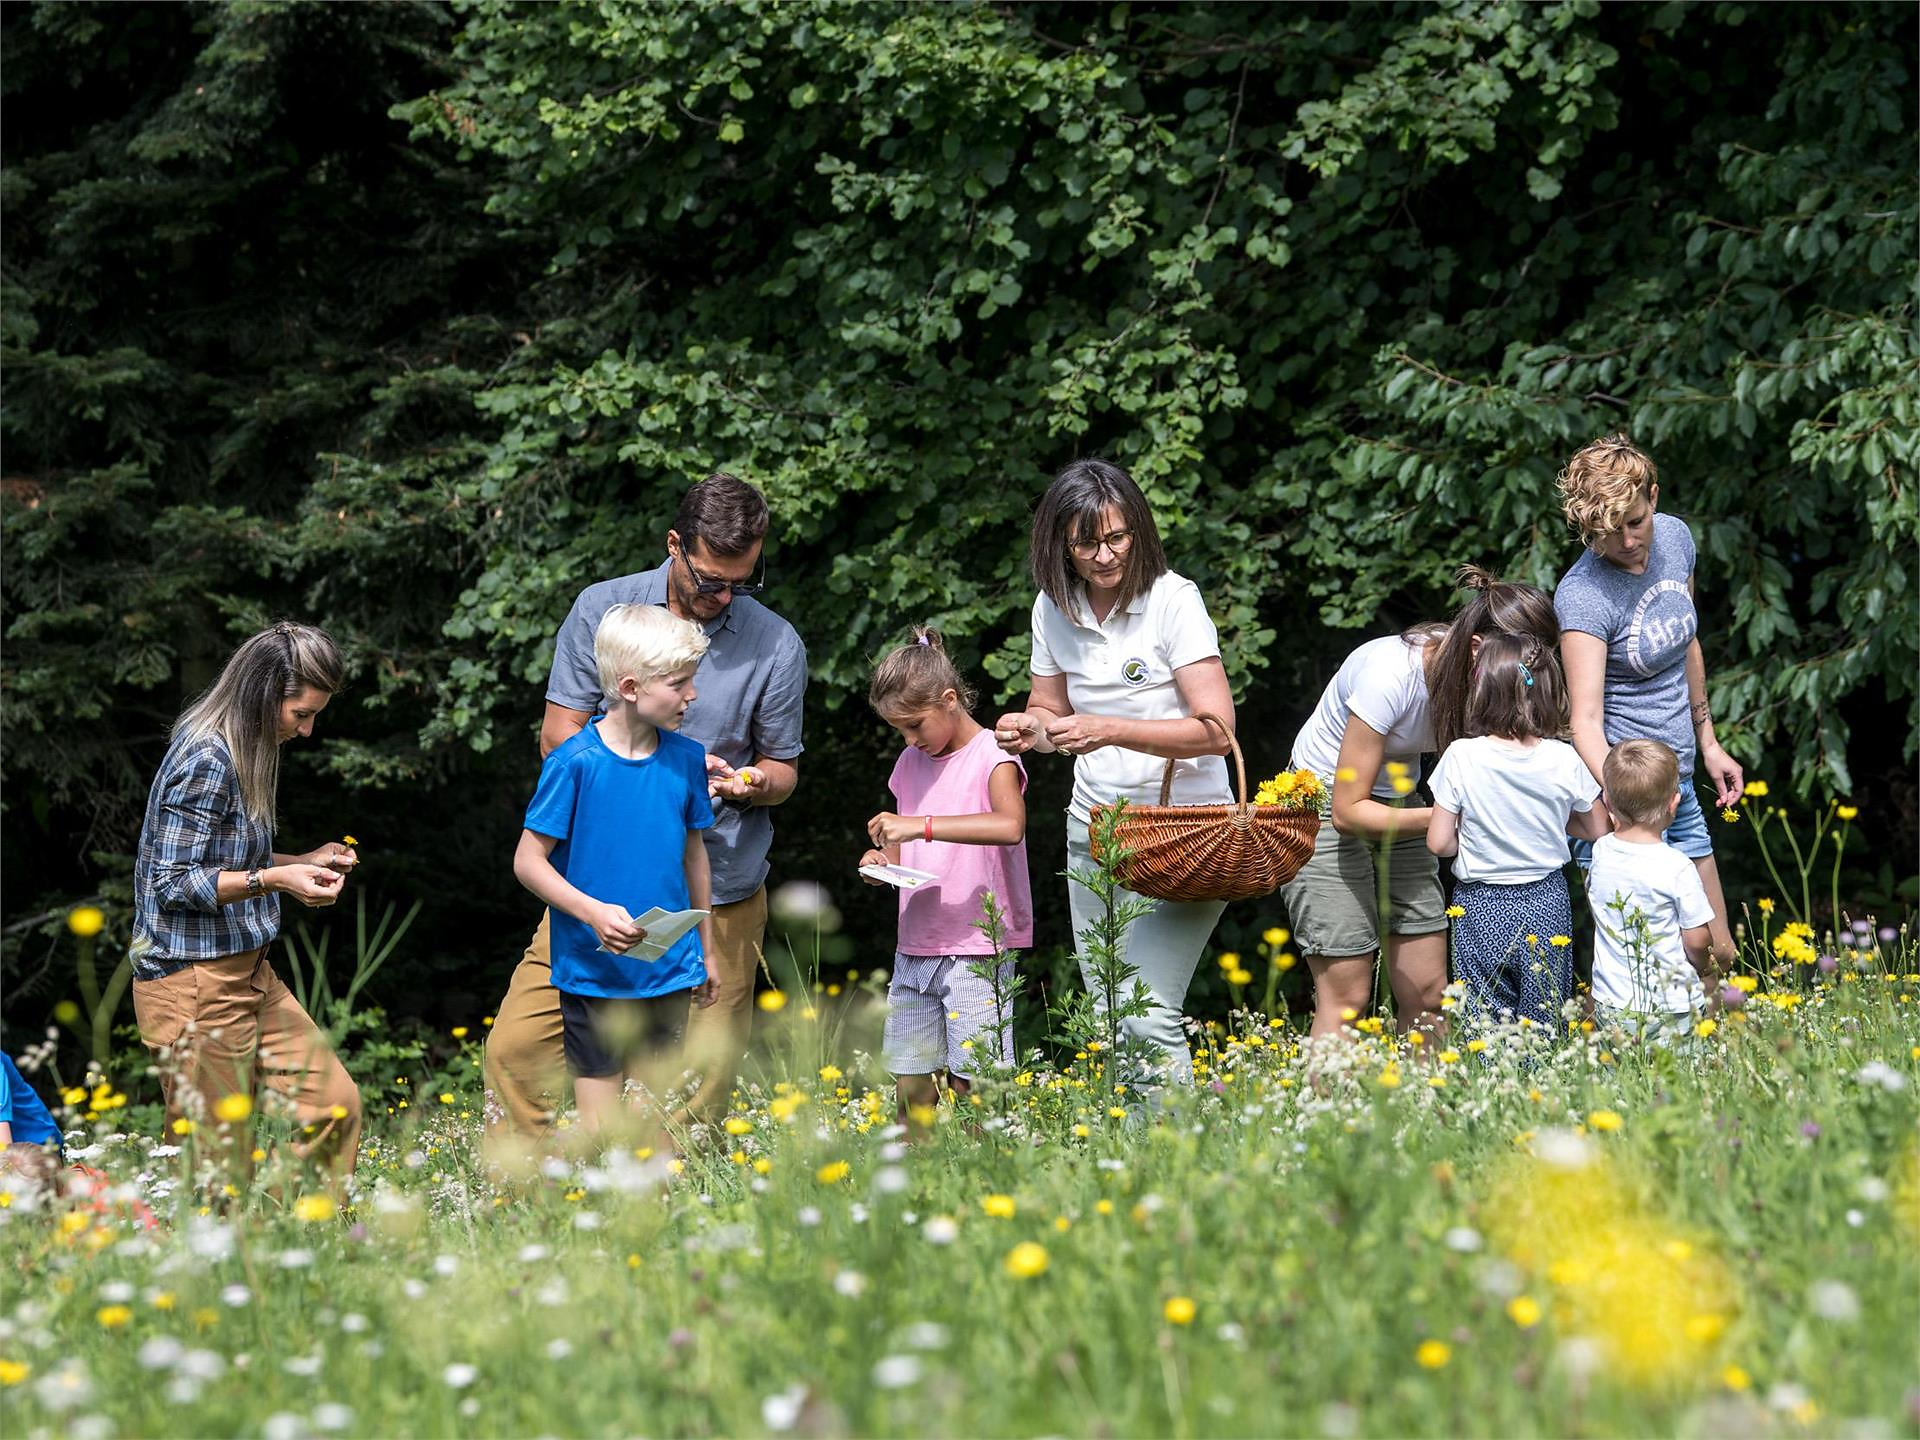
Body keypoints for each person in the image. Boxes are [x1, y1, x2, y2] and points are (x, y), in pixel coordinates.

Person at [484, 473, 806, 1158]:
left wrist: (742, 780)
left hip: (712, 896)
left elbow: (782, 771)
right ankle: (536, 1202)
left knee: (690, 1090)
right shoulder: (604, 611)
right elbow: (558, 737)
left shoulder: (776, 644)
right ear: (674, 545)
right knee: (517, 1051)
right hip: (595, 892)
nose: (724, 598)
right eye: (712, 580)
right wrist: (652, 778)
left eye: (742, 583)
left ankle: (669, 1231)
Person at [993, 459, 1233, 1085]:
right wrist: (1029, 731)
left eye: (1117, 537)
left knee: (1147, 1012)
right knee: (1109, 1012)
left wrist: (1109, 727)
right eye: (1087, 543)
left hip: (1189, 833)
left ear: (1139, 532)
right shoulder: (1053, 606)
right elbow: (1050, 711)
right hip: (1096, 831)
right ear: (1060, 546)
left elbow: (1217, 730)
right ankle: (1136, 1157)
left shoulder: (1173, 600)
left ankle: (1183, 1160)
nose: (1104, 555)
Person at [127, 622, 363, 1189]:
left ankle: (290, 1234)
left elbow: (227, 856)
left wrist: (298, 859)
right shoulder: (208, 755)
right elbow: (173, 881)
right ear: (263, 695)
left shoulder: (247, 747)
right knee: (213, 1170)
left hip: (248, 973)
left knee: (335, 1106)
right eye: (301, 714)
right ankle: (206, 1259)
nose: (307, 731)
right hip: (192, 984)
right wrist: (278, 879)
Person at [1279, 568, 1561, 1040]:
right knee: (1347, 997)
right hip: (1323, 805)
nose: (1527, 685)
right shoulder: (1391, 676)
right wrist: (1450, 816)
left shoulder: (1493, 678)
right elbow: (1349, 811)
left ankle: (1422, 1110)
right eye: (1522, 671)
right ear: (1476, 650)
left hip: (1400, 801)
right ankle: (1326, 1114)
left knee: (1430, 993)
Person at [512, 605, 719, 1139]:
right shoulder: (575, 762)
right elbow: (527, 861)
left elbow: (695, 855)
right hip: (594, 974)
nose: (691, 695)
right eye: (679, 683)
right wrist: (593, 912)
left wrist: (708, 951)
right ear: (629, 686)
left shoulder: (687, 759)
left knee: (656, 1132)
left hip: (670, 971)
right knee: (603, 1133)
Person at [1554, 435, 1742, 969]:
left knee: (1715, 950)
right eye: (1608, 533)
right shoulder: (1583, 595)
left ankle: (1722, 1052)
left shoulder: (1677, 540)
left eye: (1635, 522)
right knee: (1642, 960)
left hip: (1676, 783)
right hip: (1619, 798)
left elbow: (1687, 642)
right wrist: (1621, 801)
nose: (1628, 541)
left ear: (1652, 497)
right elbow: (1584, 723)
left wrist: (1708, 741)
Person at [859, 628, 1032, 1123]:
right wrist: (880, 864)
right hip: (916, 942)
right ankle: (914, 1182)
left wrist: (921, 826)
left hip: (977, 942)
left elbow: (1010, 826)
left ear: (950, 700)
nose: (910, 740)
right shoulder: (909, 762)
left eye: (915, 725)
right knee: (912, 1080)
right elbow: (899, 843)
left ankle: (987, 1178)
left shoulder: (993, 756)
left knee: (974, 1080)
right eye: (900, 731)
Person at [1426, 633, 1609, 1030]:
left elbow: (1439, 843)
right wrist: (1549, 819)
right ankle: (1543, 1086)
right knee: (1545, 1011)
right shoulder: (1563, 758)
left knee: (1485, 1015)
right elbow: (1597, 827)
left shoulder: (1461, 755)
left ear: (1482, 688)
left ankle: (1494, 1087)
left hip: (1479, 904)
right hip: (1546, 900)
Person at [1586, 739, 1717, 1043]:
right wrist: (1703, 967)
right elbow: (1697, 940)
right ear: (1675, 802)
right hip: (1672, 1006)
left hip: (1612, 1003)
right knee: (1680, 1085)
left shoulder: (1601, 852)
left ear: (1607, 799)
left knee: (1624, 1084)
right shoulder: (1677, 867)